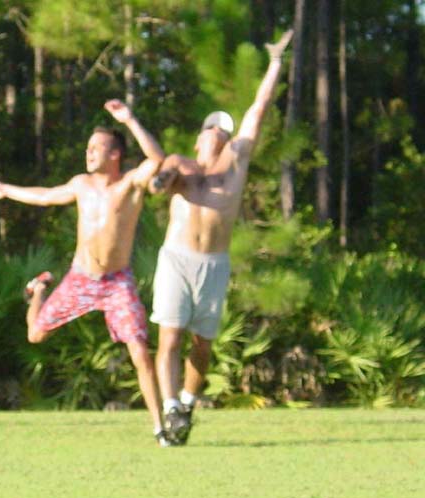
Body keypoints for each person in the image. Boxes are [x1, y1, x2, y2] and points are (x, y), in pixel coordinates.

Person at [0, 99, 171, 445]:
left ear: (115, 154)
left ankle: (160, 428)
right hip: (81, 278)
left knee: (140, 350)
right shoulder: (82, 184)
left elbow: (157, 159)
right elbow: (46, 196)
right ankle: (38, 291)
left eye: (97, 148)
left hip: (117, 282)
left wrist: (129, 119)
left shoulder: (130, 184)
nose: (89, 153)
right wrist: (4, 190)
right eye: (88, 148)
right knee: (35, 335)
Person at [150, 30, 295, 445]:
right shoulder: (183, 166)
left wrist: (275, 63)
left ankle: (187, 403)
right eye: (210, 127)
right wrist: (162, 179)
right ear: (199, 138)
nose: (217, 130)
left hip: (214, 264)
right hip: (176, 258)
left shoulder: (234, 167)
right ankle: (170, 408)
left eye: (223, 129)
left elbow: (258, 109)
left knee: (202, 344)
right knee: (170, 337)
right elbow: (162, 179)